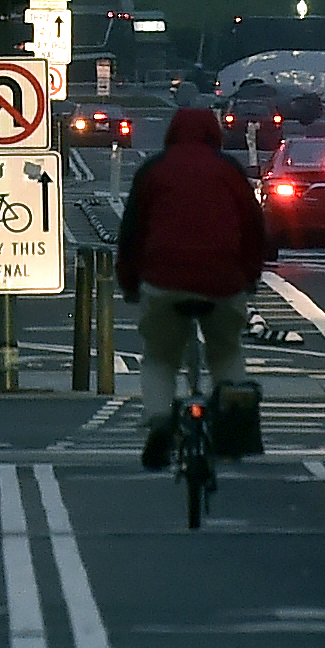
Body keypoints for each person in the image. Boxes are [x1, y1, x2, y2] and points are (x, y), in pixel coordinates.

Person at [115, 99, 273, 470]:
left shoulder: (154, 170)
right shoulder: (229, 171)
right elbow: (253, 230)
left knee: (160, 357)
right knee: (226, 352)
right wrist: (250, 275)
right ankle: (232, 427)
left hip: (163, 279)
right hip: (223, 280)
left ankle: (158, 421)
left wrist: (130, 283)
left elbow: (132, 233)